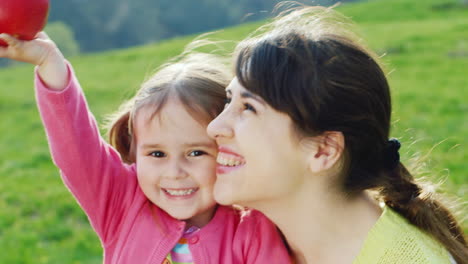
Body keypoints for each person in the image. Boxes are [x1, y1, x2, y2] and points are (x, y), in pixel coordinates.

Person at [207, 6, 468, 264]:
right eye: (228, 102)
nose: (214, 127)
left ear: (324, 150)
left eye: (248, 108)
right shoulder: (240, 241)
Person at [0, 32, 291, 264]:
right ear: (136, 152)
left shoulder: (253, 230)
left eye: (195, 152)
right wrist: (50, 63)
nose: (175, 172)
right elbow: (75, 148)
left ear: (226, 150)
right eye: (157, 154)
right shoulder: (122, 203)